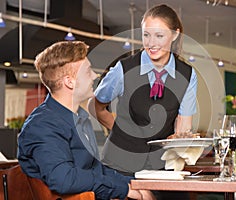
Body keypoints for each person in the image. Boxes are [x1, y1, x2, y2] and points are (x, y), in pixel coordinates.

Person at [17, 41, 154, 200]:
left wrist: (135, 184)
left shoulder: (80, 118)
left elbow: (97, 171)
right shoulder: (42, 125)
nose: (94, 76)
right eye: (88, 71)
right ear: (70, 82)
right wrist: (125, 190)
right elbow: (64, 180)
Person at [89, 4, 198, 176]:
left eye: (159, 36)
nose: (151, 43)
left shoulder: (187, 75)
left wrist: (180, 139)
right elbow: (95, 105)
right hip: (120, 164)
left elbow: (183, 126)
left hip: (162, 164)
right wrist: (118, 130)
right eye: (146, 35)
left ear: (175, 34)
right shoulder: (123, 69)